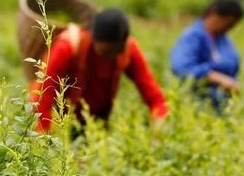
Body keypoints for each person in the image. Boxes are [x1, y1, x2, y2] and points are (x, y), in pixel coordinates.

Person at [30, 8, 168, 133]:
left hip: (94, 126)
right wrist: (43, 142)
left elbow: (154, 96)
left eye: (117, 51)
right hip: (61, 125)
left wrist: (159, 127)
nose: (112, 57)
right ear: (92, 38)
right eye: (106, 52)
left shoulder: (129, 49)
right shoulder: (68, 47)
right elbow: (42, 98)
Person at [170, 0, 244, 108]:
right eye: (228, 24)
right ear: (214, 13)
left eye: (233, 25)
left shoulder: (223, 39)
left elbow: (233, 64)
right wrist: (216, 77)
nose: (229, 28)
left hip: (223, 103)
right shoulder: (193, 36)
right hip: (196, 103)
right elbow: (181, 68)